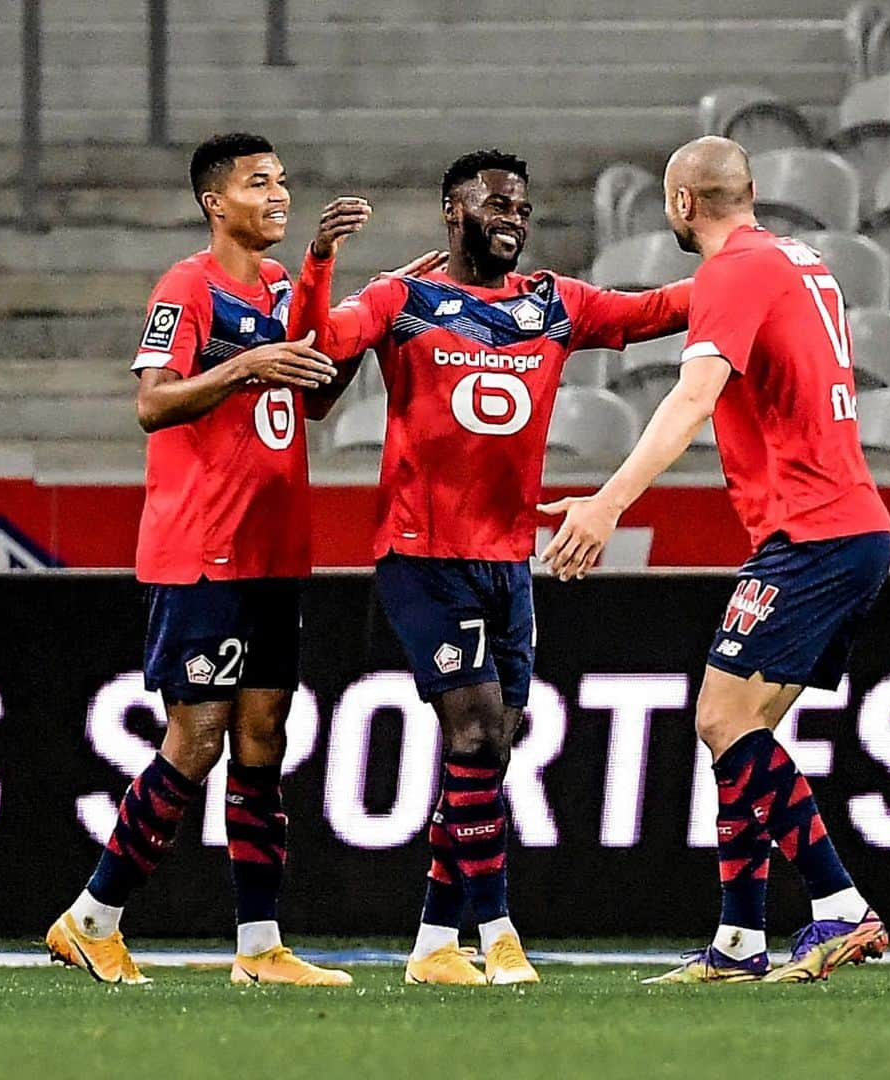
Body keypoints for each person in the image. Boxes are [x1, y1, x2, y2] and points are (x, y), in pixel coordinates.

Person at [292, 148, 692, 986]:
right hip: (423, 557)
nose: (512, 218)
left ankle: (436, 946)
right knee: (473, 733)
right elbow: (324, 348)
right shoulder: (406, 301)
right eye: (495, 205)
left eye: (521, 208)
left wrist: (748, 273)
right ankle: (499, 933)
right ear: (453, 213)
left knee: (494, 748)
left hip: (507, 564)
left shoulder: (550, 304)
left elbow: (653, 311)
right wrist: (322, 263)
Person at [539, 136, 890, 984]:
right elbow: (661, 312)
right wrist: (556, 307)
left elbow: (693, 395)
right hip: (847, 527)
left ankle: (842, 907)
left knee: (719, 720)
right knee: (744, 727)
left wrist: (607, 501)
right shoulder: (796, 261)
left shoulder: (736, 274)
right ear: (752, 191)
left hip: (811, 533)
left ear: (680, 205)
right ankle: (739, 943)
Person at [46, 132, 373, 987]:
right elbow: (152, 405)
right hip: (201, 550)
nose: (278, 192)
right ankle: (92, 918)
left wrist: (334, 287)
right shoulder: (186, 289)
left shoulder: (278, 285)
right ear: (213, 202)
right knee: (196, 739)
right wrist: (247, 366)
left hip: (273, 549)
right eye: (258, 182)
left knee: (265, 737)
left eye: (284, 180)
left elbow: (318, 397)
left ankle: (260, 946)